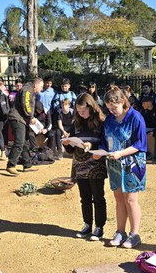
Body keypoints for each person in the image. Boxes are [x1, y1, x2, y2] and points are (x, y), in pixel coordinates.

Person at [96, 86, 147, 249]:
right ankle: (120, 231)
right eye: (109, 108)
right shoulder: (110, 120)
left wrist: (120, 153)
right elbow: (105, 141)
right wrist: (99, 152)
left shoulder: (136, 117)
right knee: (119, 199)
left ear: (122, 102)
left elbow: (140, 144)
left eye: (114, 107)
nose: (112, 111)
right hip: (114, 164)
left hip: (133, 164)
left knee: (131, 200)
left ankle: (134, 234)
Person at [62, 93, 108, 241]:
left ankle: (99, 227)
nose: (81, 114)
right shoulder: (76, 123)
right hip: (80, 165)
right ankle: (87, 224)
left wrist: (91, 145)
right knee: (85, 198)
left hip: (96, 165)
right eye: (78, 111)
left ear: (91, 107)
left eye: (84, 111)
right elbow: (71, 150)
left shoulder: (101, 122)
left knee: (98, 197)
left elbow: (105, 143)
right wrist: (67, 144)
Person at [6, 77, 41, 175]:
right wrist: (31, 116)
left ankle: (27, 164)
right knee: (19, 141)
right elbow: (26, 103)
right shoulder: (27, 89)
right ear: (36, 85)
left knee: (25, 142)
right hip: (17, 118)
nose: (41, 89)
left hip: (21, 119)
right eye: (41, 86)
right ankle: (11, 165)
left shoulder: (29, 89)